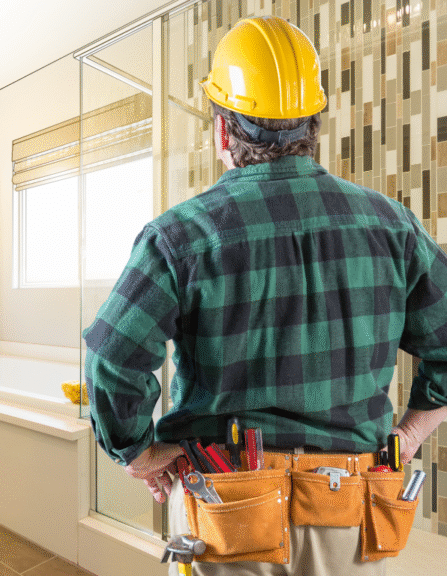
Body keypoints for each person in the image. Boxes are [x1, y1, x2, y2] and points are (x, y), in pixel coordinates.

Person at [83, 15, 447, 576]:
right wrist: (410, 432)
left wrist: (138, 449)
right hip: (348, 512)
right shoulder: (391, 226)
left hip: (226, 512)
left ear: (224, 132)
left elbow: (112, 359)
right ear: (312, 126)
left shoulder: (180, 237)